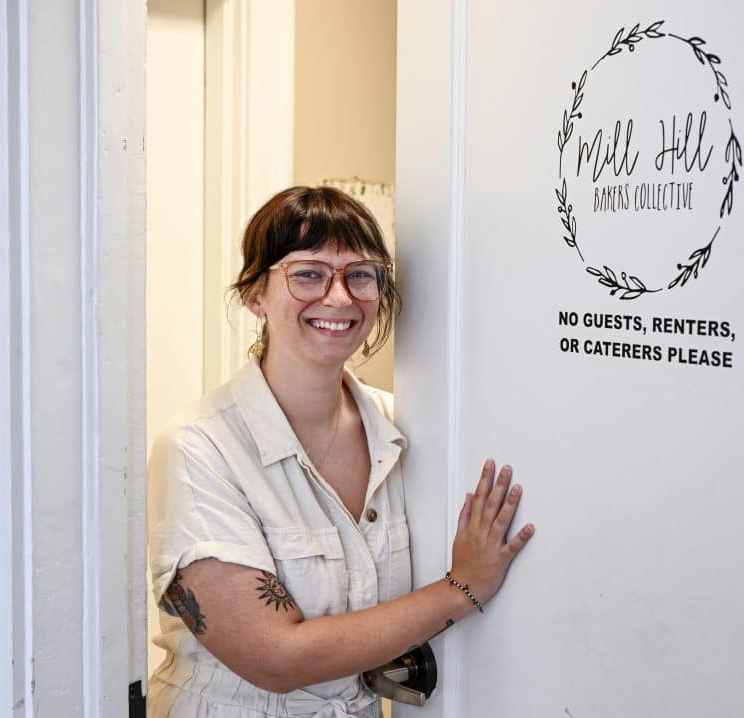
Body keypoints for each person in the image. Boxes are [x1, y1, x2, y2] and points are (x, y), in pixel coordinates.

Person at [147, 186, 534, 717]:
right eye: (308, 273)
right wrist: (461, 589)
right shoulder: (198, 449)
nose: (339, 298)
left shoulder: (401, 429)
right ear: (255, 295)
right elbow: (275, 658)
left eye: (360, 274)